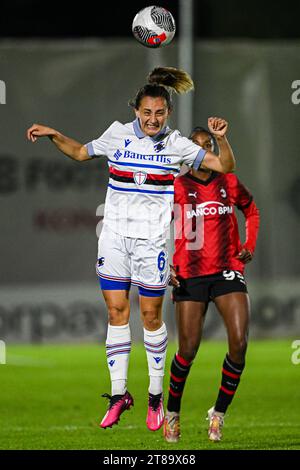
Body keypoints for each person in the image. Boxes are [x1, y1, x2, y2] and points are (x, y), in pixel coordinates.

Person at [26, 68, 235, 432]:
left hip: (151, 242)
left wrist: (221, 140)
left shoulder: (178, 145)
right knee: (116, 312)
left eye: (159, 113)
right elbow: (79, 152)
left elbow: (224, 166)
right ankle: (120, 394)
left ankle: (155, 397)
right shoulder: (117, 134)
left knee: (151, 318)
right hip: (113, 237)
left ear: (167, 113)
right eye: (146, 112)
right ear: (136, 111)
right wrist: (54, 135)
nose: (152, 119)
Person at [163, 126, 260, 443]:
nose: (204, 150)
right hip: (190, 274)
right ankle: (173, 412)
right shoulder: (176, 186)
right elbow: (155, 228)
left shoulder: (227, 181)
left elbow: (251, 210)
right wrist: (163, 266)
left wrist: (250, 244)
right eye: (198, 146)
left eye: (209, 145)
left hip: (227, 270)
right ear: (187, 152)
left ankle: (218, 414)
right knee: (188, 349)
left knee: (240, 343)